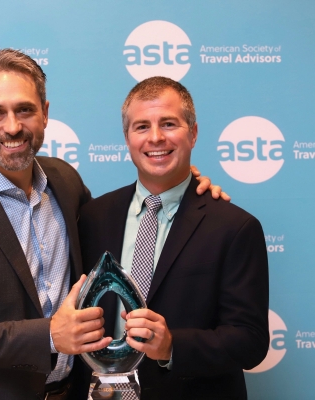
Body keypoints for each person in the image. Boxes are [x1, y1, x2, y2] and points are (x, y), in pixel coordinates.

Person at [0, 49, 224, 400]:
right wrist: (51, 337)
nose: (12, 127)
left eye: (25, 109)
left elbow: (123, 220)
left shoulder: (64, 182)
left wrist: (182, 187)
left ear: (45, 113)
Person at [78, 77, 269, 399]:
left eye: (168, 124)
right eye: (141, 127)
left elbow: (250, 342)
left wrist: (171, 345)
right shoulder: (92, 217)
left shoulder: (235, 227)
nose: (155, 138)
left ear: (192, 133)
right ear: (127, 137)